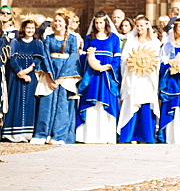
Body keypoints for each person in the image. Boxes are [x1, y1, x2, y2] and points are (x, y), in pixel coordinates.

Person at [31, 10, 81, 145]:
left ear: (65, 24)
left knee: (62, 105)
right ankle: (42, 134)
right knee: (46, 103)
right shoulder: (49, 38)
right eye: (56, 21)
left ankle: (59, 135)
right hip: (51, 72)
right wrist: (49, 76)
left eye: (60, 21)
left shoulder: (72, 38)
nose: (57, 23)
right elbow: (45, 56)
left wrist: (61, 79)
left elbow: (73, 58)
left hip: (65, 75)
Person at [76, 11, 121, 143]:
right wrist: (89, 58)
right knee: (91, 100)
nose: (98, 25)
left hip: (107, 75)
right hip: (92, 76)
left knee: (106, 101)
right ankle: (89, 136)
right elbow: (83, 57)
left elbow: (117, 58)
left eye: (101, 22)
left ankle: (106, 136)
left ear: (106, 23)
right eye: (96, 22)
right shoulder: (89, 38)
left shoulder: (113, 38)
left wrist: (107, 67)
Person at [118, 14, 161, 143]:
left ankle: (146, 136)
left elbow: (157, 59)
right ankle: (130, 135)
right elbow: (124, 57)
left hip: (148, 78)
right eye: (137, 26)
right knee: (132, 102)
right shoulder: (131, 41)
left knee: (146, 103)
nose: (140, 28)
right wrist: (128, 62)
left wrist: (151, 64)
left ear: (147, 26)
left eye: (142, 26)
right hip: (133, 77)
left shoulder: (154, 42)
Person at [1, 19, 42, 142]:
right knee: (15, 101)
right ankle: (12, 133)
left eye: (32, 28)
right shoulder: (15, 42)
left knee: (30, 102)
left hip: (31, 76)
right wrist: (20, 73)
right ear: (23, 28)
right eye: (28, 28)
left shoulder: (37, 43)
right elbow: (11, 59)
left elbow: (38, 60)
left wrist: (27, 71)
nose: (30, 30)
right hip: (15, 76)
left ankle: (27, 133)